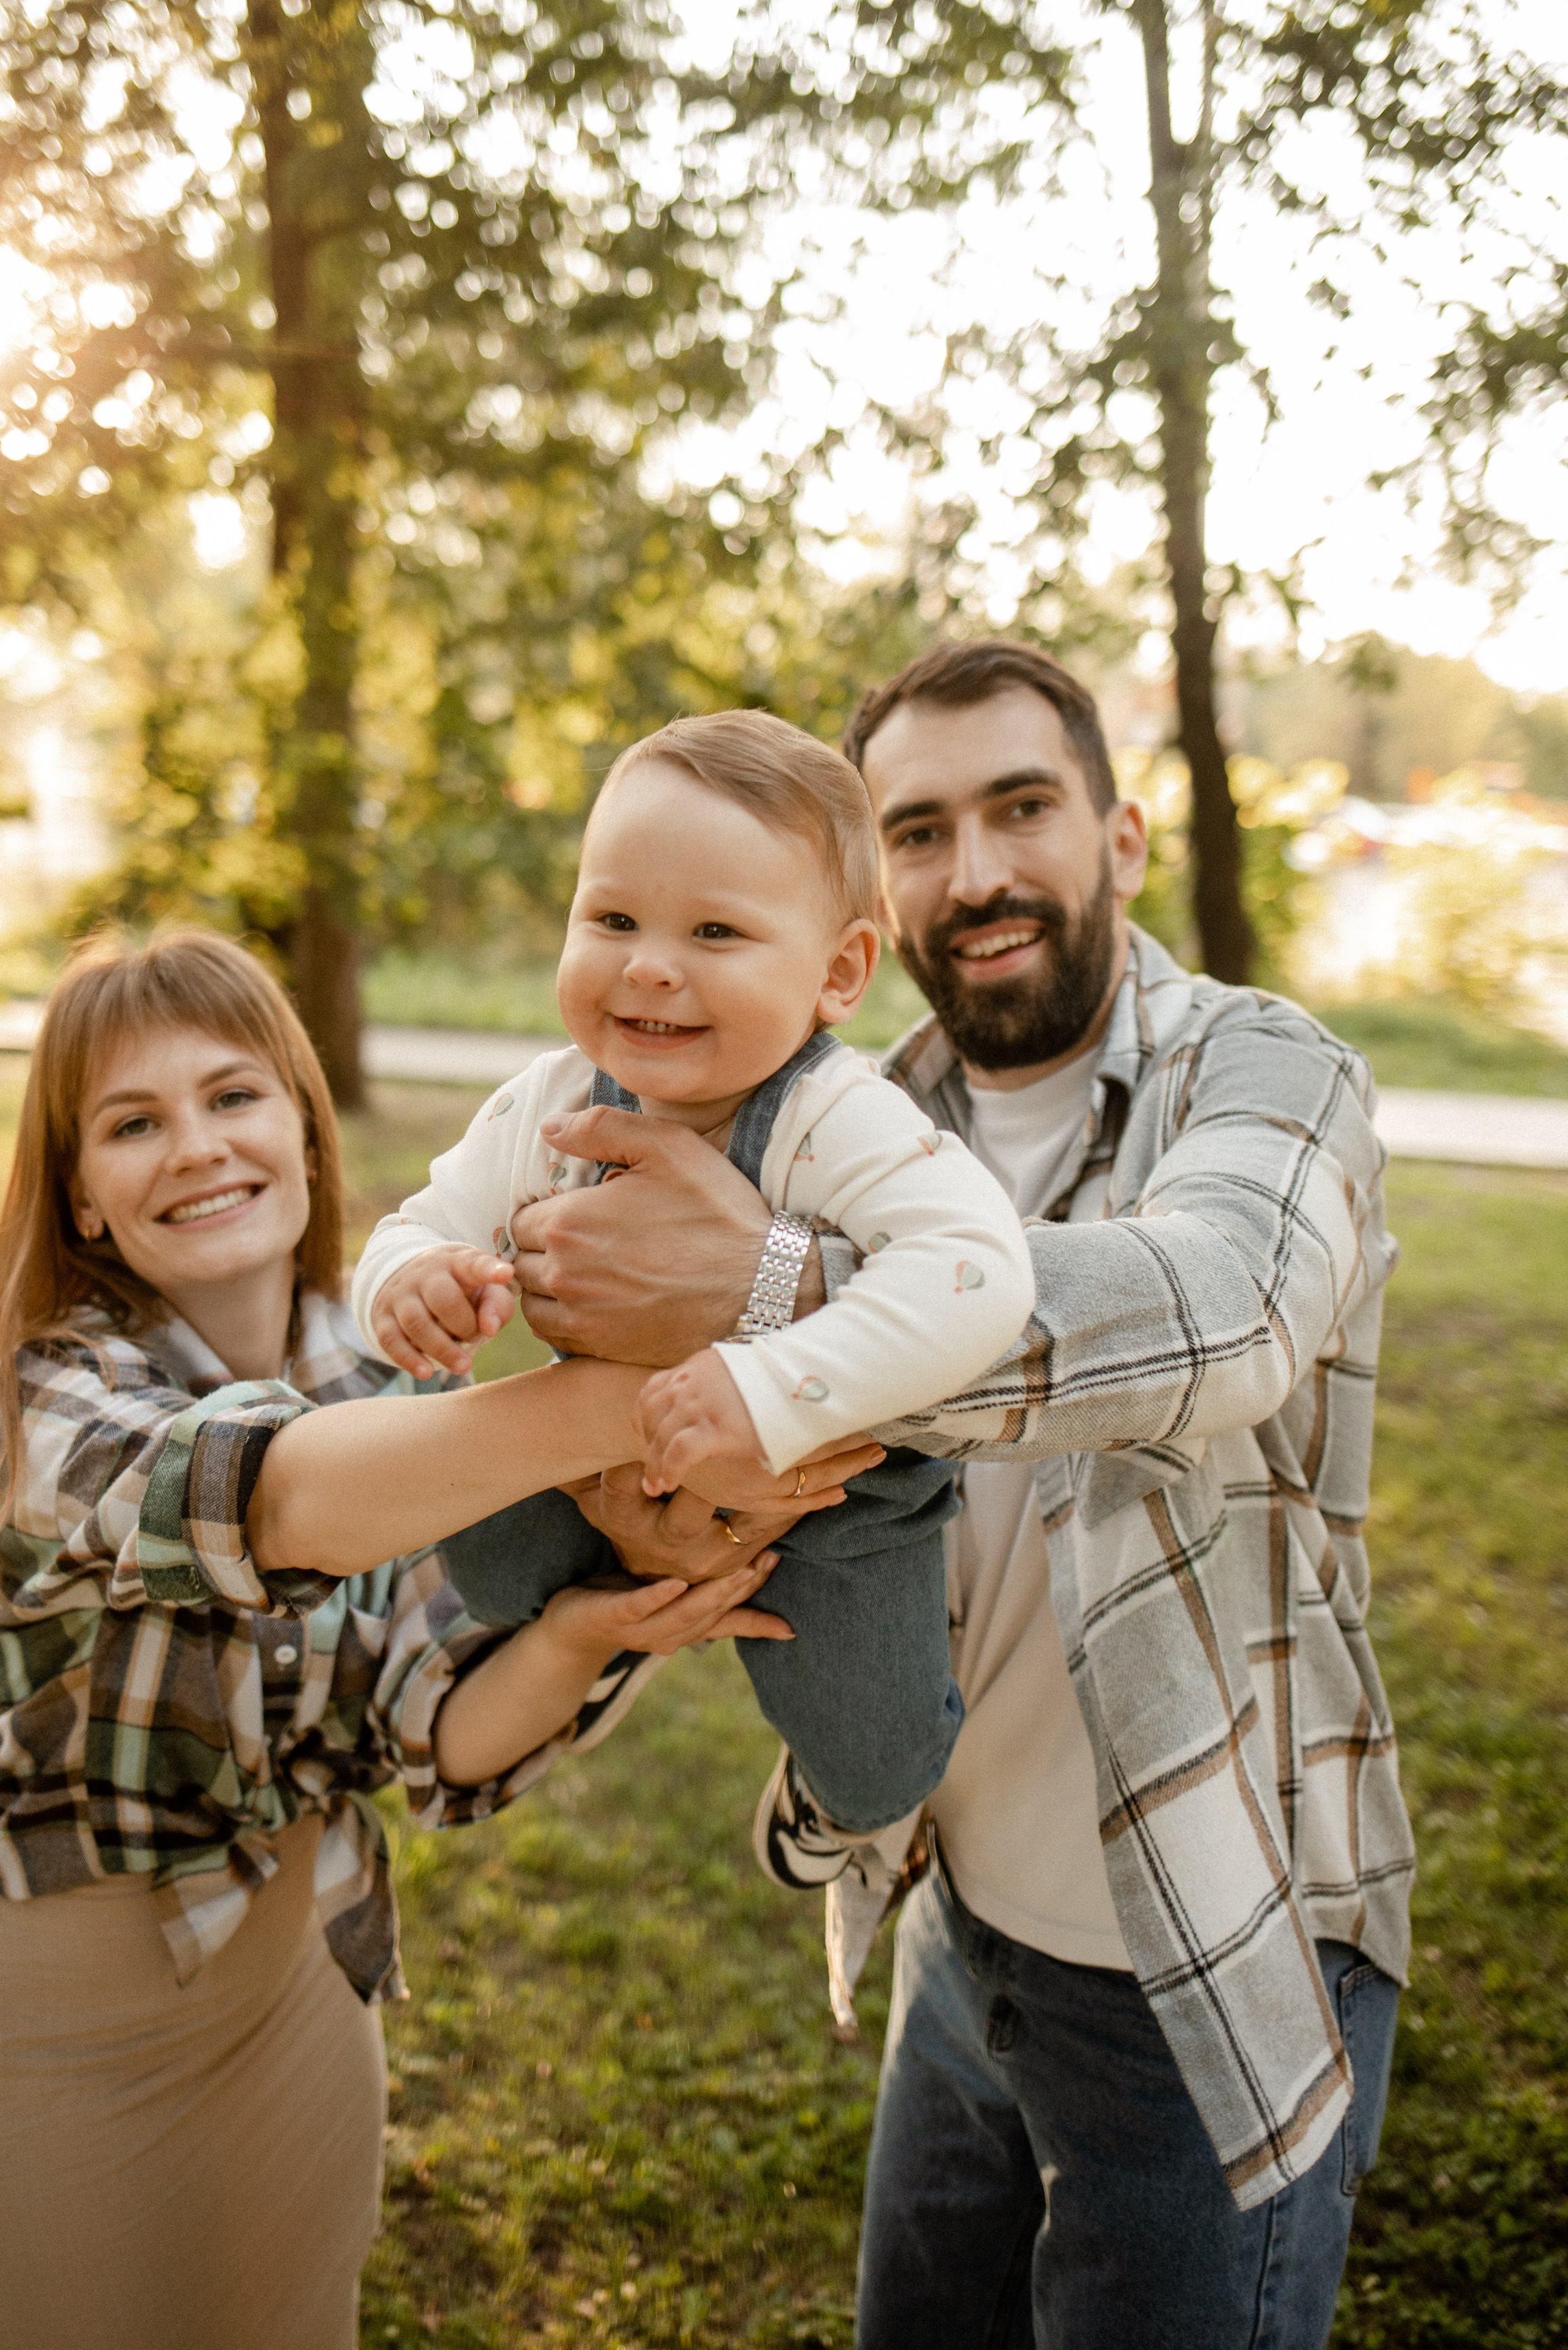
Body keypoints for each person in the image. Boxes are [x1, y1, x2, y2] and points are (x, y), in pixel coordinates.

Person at [497, 641, 1412, 2350]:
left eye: (1020, 809)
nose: (974, 871)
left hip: (1201, 1939)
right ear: (865, 899)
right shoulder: (843, 1110)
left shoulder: (1270, 1072)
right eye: (916, 829)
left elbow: (1223, 1312)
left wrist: (768, 1295)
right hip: (954, 1919)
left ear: (1119, 836)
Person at [0, 928, 872, 2350]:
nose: (196, 1147)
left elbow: (429, 1729)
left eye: (233, 1097)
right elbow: (274, 1497)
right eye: (134, 1122)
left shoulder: (373, 1371)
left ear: (303, 1128)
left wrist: (588, 1627)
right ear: (80, 1192)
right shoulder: (47, 1397)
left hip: (305, 1981)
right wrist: (672, 1386)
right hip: (72, 2008)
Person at [351, 710, 1034, 1854]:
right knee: (483, 1561)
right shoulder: (552, 1101)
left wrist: (774, 1386)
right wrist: (415, 1276)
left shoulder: (835, 1115)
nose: (650, 964)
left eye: (716, 931)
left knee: (876, 1763)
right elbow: (420, 1220)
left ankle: (848, 1806)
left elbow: (979, 1270)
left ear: (839, 973)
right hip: (603, 1456)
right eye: (613, 917)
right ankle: (604, 1584)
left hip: (835, 1495)